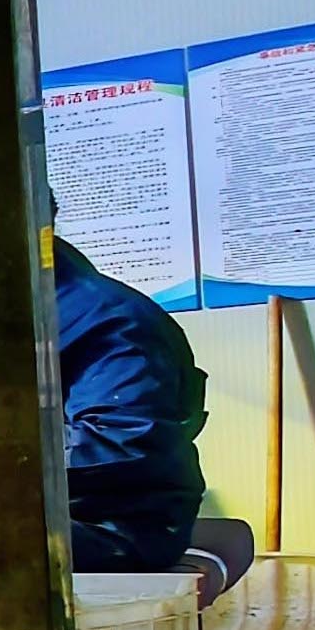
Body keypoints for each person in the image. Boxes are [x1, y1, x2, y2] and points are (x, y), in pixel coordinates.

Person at [52, 233, 210, 574]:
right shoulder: (4, 309)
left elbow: (120, 440)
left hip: (114, 527)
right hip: (45, 515)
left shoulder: (112, 321)